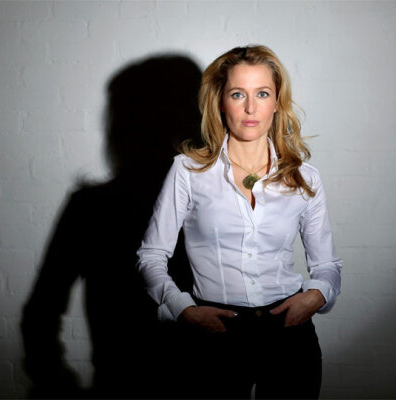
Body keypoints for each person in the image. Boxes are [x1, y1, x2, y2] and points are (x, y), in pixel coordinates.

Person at [137, 45, 342, 399]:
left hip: (289, 333)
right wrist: (183, 308)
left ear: (277, 102)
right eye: (237, 94)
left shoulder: (304, 177)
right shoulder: (187, 171)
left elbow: (327, 266)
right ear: (220, 101)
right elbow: (151, 256)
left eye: (262, 93)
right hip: (213, 334)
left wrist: (316, 295)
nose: (250, 108)